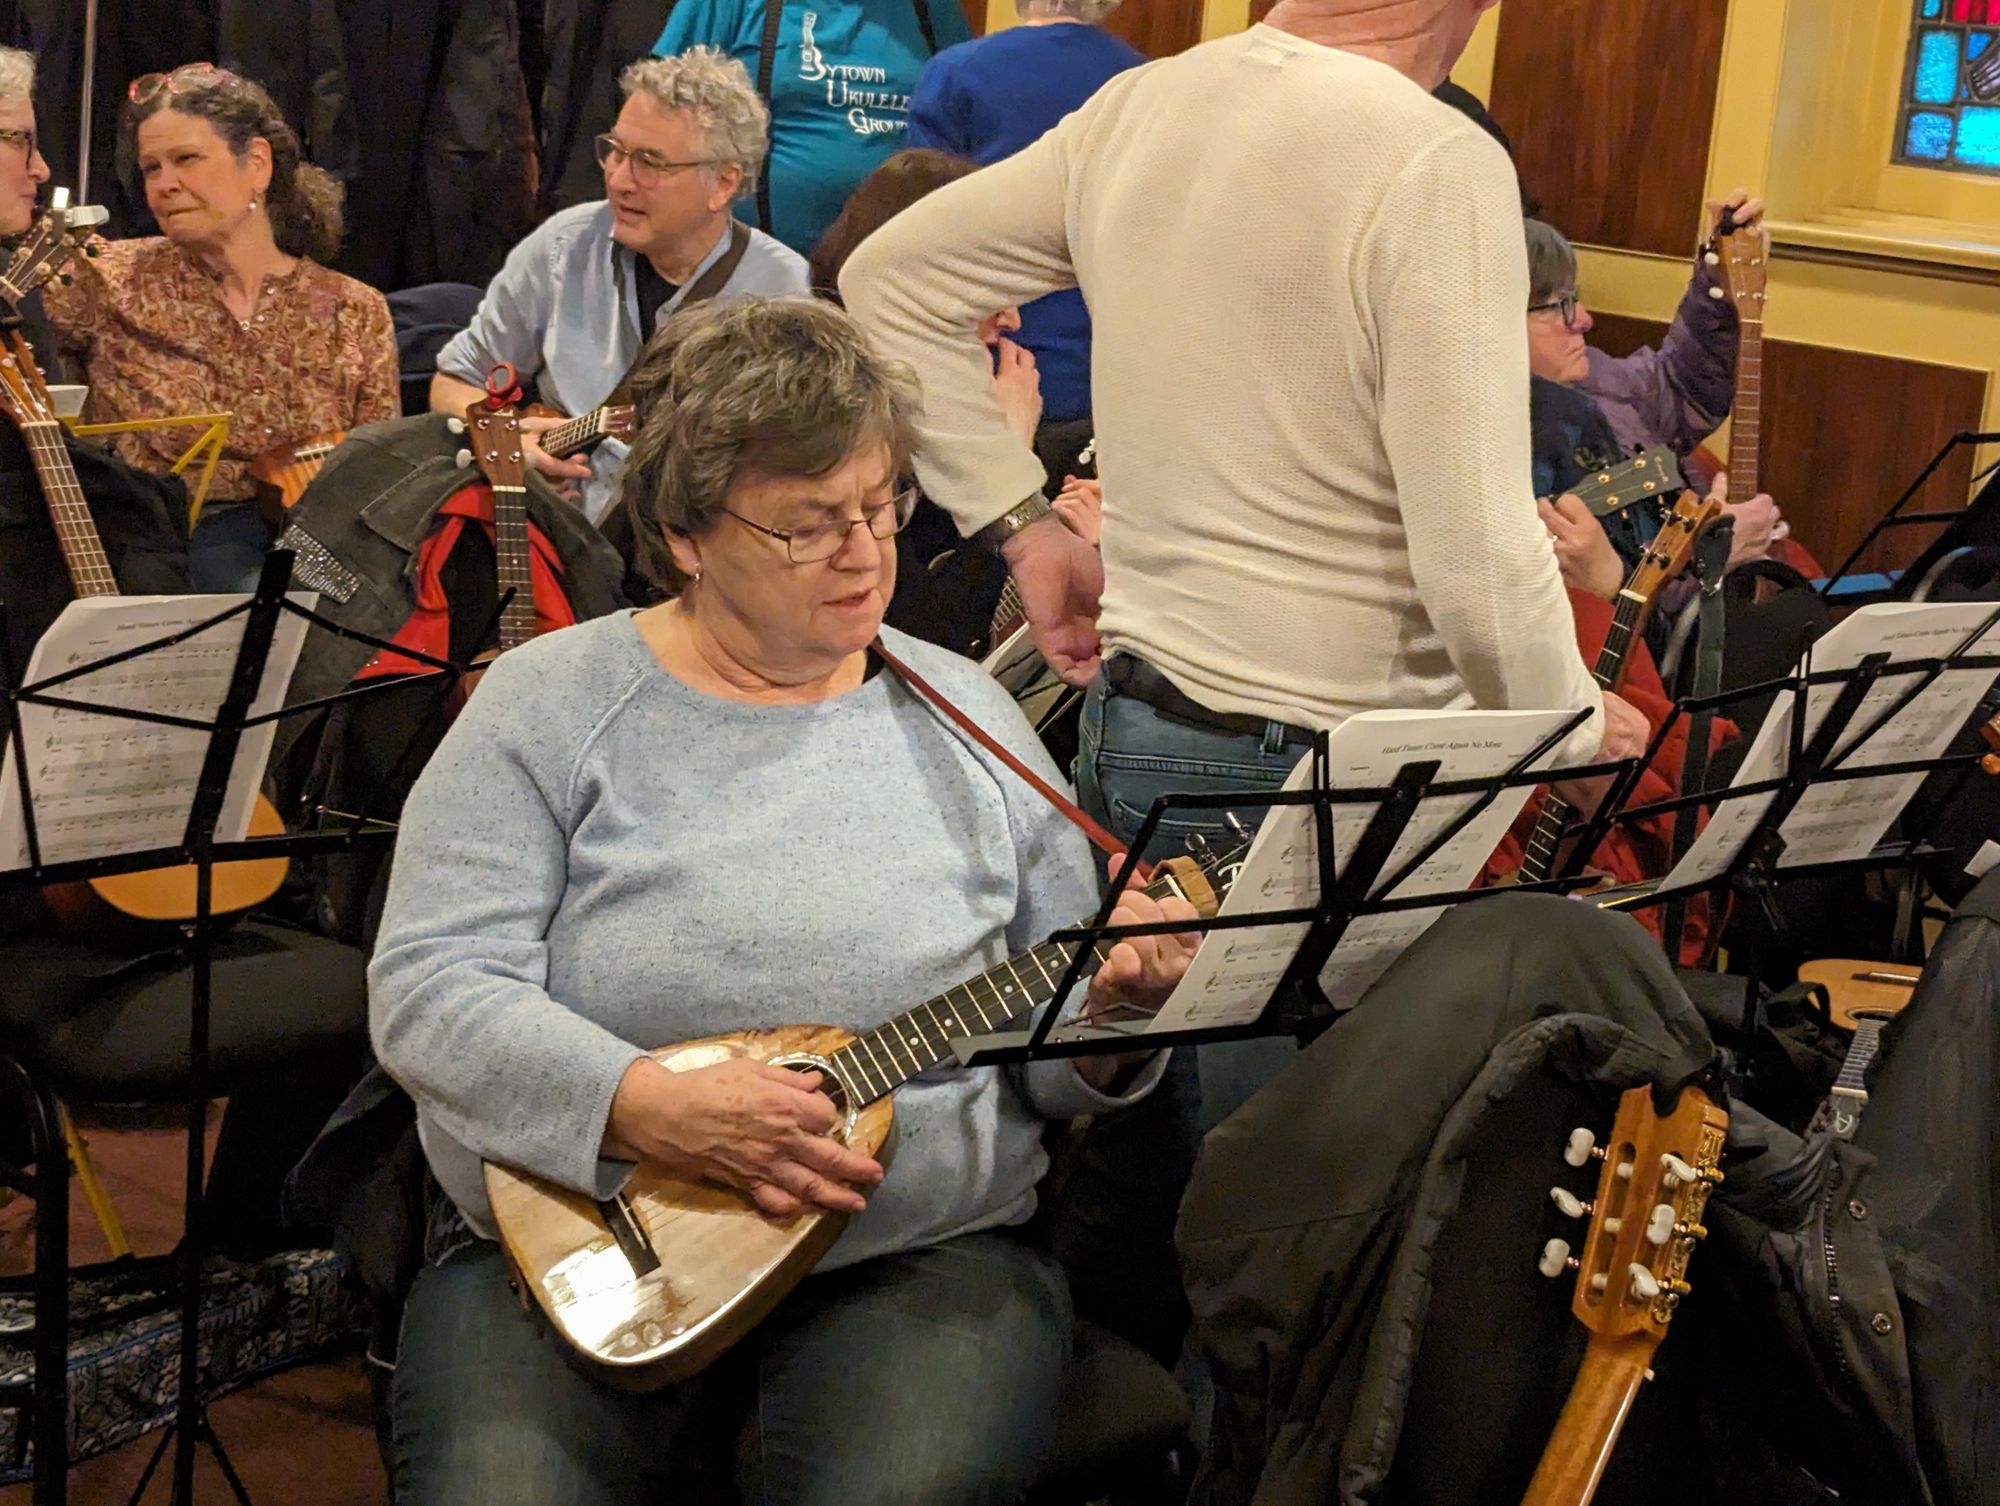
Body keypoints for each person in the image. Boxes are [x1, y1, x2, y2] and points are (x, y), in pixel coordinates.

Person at [370, 296, 1198, 1505]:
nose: (863, 553)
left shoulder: (969, 714)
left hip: (913, 1255)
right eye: (807, 526)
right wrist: (642, 1108)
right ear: (685, 534)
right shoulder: (548, 704)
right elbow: (430, 989)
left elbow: (1051, 1064)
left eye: (878, 506)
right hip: (583, 1236)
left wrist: (1117, 1018)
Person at [840, 0, 1648, 858]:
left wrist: (1024, 529)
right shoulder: (1438, 159)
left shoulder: (1140, 107)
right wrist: (1573, 730)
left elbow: (890, 277)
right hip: (1324, 765)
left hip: (1131, 727)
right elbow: (1477, 564)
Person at [42, 63, 399, 593]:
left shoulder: (356, 310)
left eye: (186, 159)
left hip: (320, 555)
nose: (164, 185)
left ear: (256, 164)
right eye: (151, 168)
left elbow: (383, 485)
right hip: (167, 562)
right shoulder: (103, 279)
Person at [434, 49, 809, 527]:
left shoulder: (783, 292)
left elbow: (791, 465)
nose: (618, 179)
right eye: (615, 150)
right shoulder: (564, 245)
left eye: (649, 162)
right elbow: (455, 380)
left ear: (722, 183)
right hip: (551, 537)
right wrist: (507, 444)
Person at [809, 145, 1042, 653]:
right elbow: (936, 643)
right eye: (987, 285)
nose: (1012, 318)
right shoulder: (828, 433)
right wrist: (1002, 460)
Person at [905, 0, 1144, 427]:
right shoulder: (1144, 84)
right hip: (1110, 369)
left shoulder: (955, 73)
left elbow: (919, 229)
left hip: (986, 365)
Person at [1524, 207, 1784, 574]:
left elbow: (1680, 393)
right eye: (1558, 305)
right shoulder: (1503, 458)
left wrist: (1718, 284)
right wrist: (1713, 556)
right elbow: (1609, 602)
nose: (1584, 319)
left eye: (1575, 296)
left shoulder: (1592, 375)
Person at [653, 0, 972, 257]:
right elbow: (658, 106)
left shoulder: (930, 7)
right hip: (759, 269)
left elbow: (962, 104)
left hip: (892, 265)